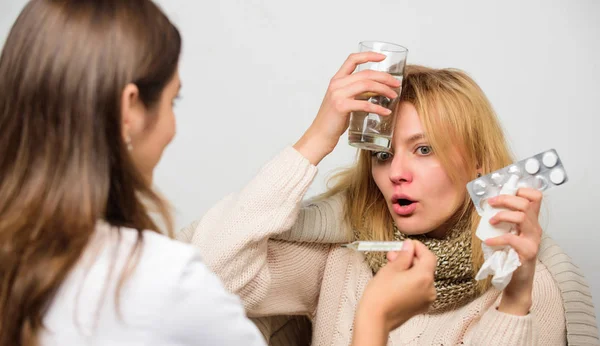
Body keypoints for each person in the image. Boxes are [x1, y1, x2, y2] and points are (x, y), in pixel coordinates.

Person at [0, 1, 439, 345]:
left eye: (423, 149)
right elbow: (219, 272)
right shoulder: (154, 278)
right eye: (175, 101)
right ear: (130, 109)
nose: (398, 172)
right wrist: (373, 319)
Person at [179, 60, 600, 344]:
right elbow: (200, 282)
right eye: (382, 155)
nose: (396, 171)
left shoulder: (531, 286)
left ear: (477, 162)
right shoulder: (341, 260)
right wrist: (316, 140)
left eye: (423, 149)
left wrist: (514, 301)